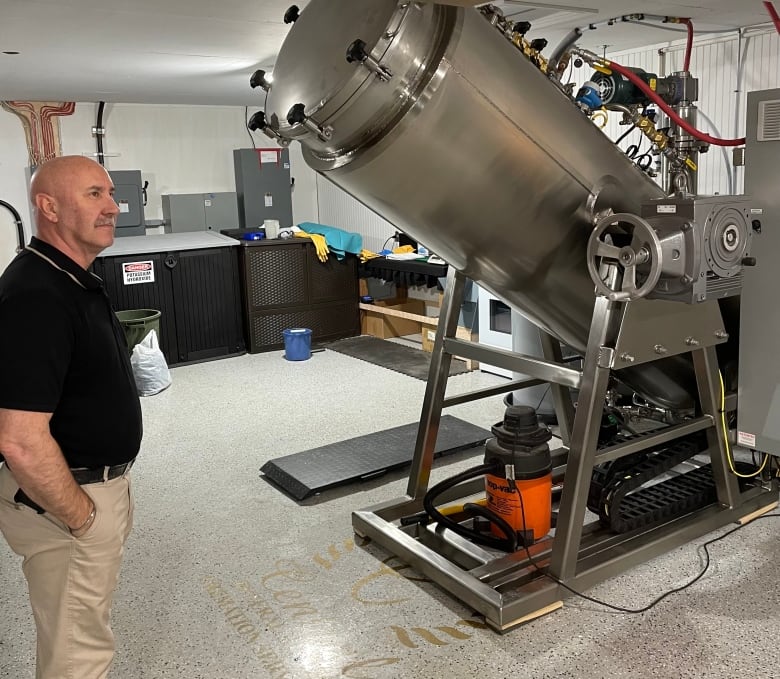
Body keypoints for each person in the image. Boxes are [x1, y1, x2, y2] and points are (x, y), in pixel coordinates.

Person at [0, 155, 143, 678]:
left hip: (92, 489)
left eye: (110, 194)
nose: (113, 207)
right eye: (94, 195)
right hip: (67, 504)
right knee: (77, 657)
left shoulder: (70, 278)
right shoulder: (36, 296)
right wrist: (82, 517)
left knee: (83, 631)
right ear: (48, 207)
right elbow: (18, 441)